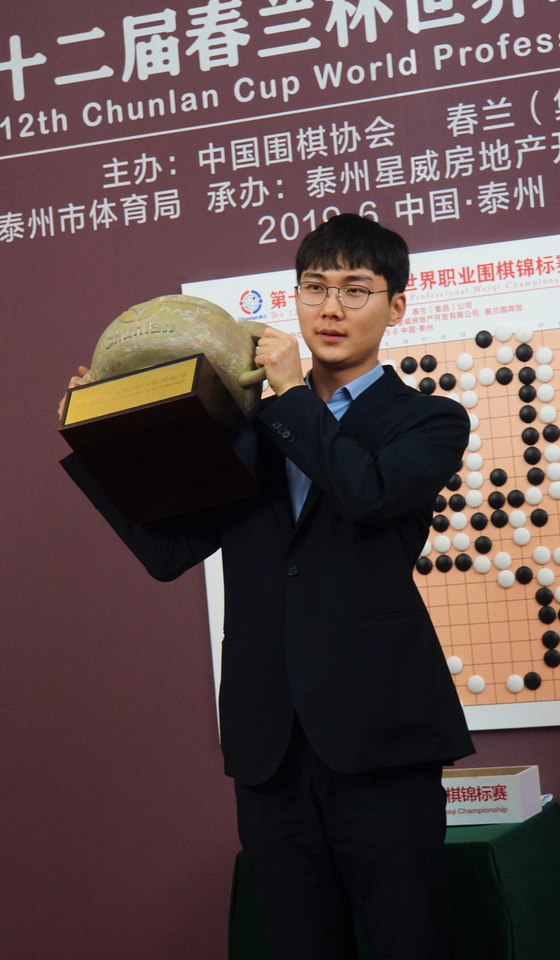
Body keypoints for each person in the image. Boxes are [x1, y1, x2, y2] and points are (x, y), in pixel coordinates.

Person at [60, 214, 475, 960]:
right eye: (315, 287)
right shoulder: (245, 424)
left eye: (355, 290)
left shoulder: (426, 420)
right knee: (297, 943)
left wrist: (288, 398)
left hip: (380, 735)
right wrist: (104, 435)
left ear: (397, 307)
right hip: (267, 743)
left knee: (408, 939)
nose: (331, 308)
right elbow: (169, 551)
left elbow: (368, 494)